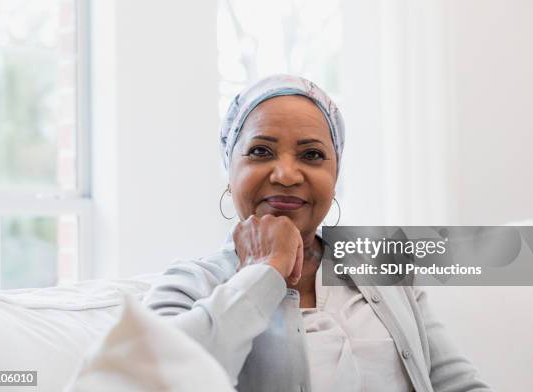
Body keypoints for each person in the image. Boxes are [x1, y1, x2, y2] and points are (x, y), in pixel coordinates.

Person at [144, 74, 492, 392]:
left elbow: (458, 385)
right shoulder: (189, 284)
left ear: (335, 176)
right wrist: (263, 271)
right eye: (260, 151)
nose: (286, 175)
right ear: (229, 168)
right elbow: (157, 380)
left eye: (312, 155)